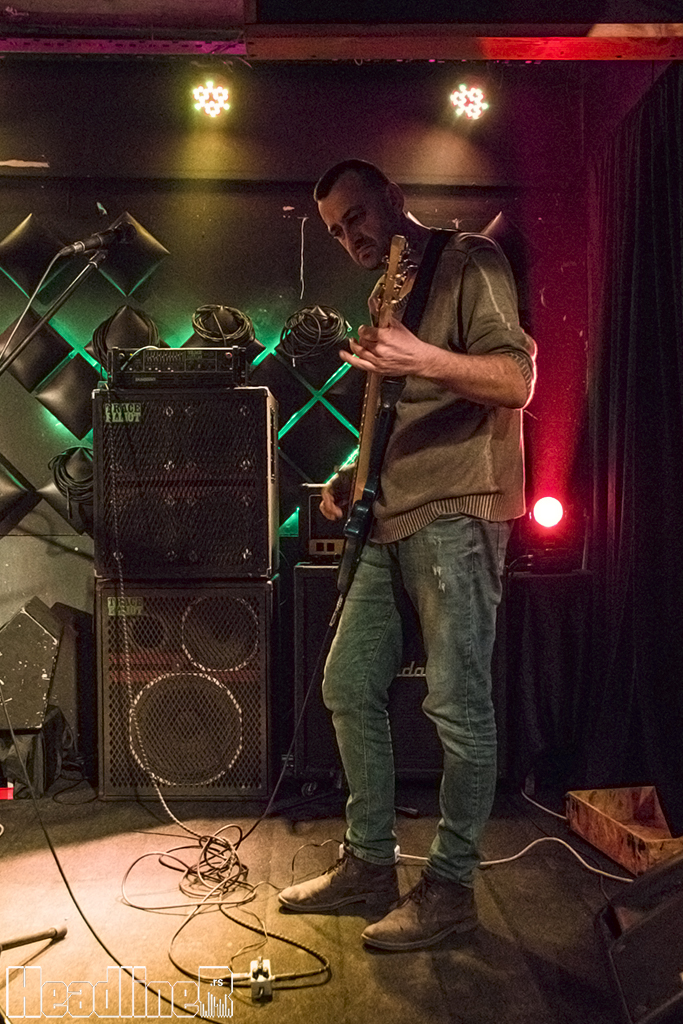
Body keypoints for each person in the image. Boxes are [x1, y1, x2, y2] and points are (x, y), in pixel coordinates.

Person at [278, 159, 537, 951]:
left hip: (457, 511)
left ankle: (450, 889)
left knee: (456, 706)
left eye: (356, 216)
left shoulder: (469, 261)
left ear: (393, 197)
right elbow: (400, 410)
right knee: (347, 683)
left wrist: (420, 357)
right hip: (389, 516)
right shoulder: (384, 292)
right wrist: (354, 475)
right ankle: (368, 864)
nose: (350, 237)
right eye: (335, 231)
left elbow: (516, 378)